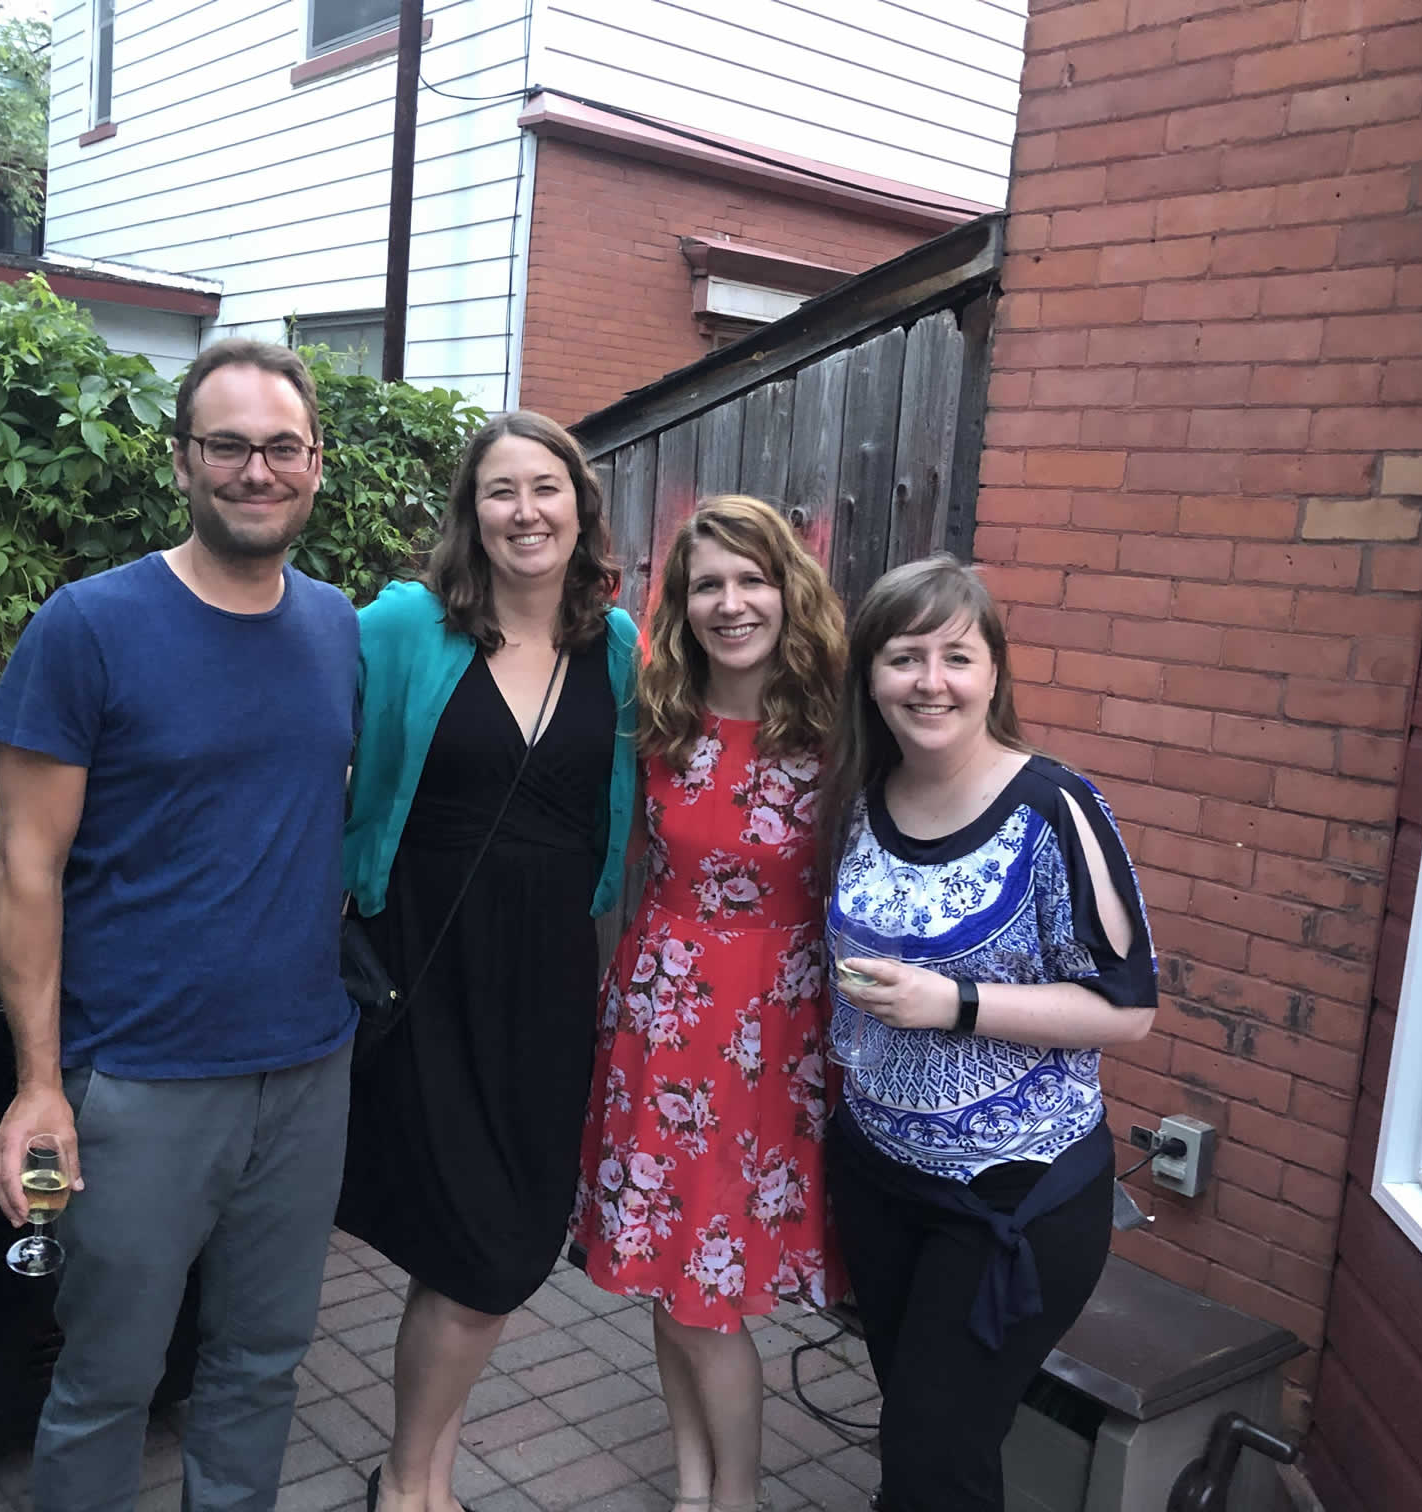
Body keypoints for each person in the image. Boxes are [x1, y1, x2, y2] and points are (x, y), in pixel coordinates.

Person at [0, 339, 360, 1512]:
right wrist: (38, 1088)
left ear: (315, 464)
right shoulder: (89, 627)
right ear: (183, 462)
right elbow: (26, 872)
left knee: (262, 1363)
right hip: (139, 1081)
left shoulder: (338, 627)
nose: (257, 470)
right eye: (228, 445)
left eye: (282, 447)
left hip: (307, 1070)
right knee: (108, 1380)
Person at [339, 410, 639, 1512]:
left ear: (580, 509)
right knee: (476, 1252)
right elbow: (303, 728)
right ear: (472, 513)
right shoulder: (405, 625)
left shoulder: (620, 647)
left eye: (546, 488)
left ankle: (420, 1474)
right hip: (425, 966)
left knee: (499, 1237)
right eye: (500, 491)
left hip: (549, 982)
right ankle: (410, 1485)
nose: (526, 511)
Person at [816, 555, 1157, 1512]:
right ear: (871, 678)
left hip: (1011, 1197)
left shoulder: (1052, 808)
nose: (931, 682)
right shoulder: (861, 799)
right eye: (904, 658)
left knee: (932, 1455)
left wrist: (954, 1002)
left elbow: (1129, 1007)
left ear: (994, 673)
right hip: (878, 1177)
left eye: (956, 657)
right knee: (930, 1439)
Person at [571, 496, 846, 1512]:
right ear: (681, 605)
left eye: (751, 580)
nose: (730, 604)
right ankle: (694, 1486)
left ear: (788, 590)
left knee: (706, 1291)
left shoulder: (838, 732)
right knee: (664, 1266)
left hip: (771, 1032)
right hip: (658, 1017)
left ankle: (737, 1498)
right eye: (706, 586)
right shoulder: (658, 721)